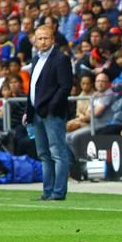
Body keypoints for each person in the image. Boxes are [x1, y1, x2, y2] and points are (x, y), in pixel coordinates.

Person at [23, 25, 72, 201]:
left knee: (57, 152)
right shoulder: (36, 59)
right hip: (37, 113)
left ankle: (58, 192)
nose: (42, 41)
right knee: (44, 154)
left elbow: (65, 86)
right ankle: (47, 191)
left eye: (46, 38)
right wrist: (28, 111)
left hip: (52, 114)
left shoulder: (60, 59)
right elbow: (32, 89)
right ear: (35, 40)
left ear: (53, 39)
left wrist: (51, 107)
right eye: (39, 38)